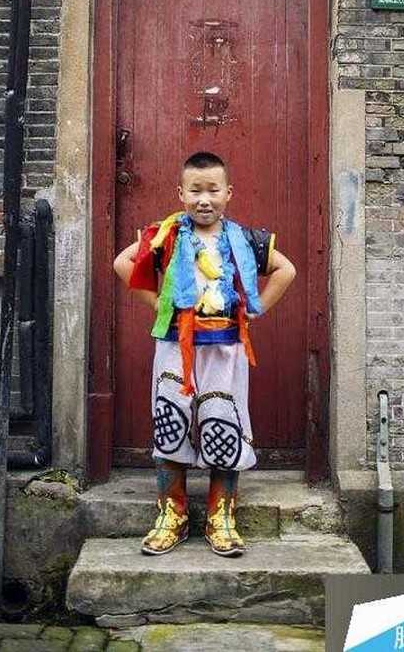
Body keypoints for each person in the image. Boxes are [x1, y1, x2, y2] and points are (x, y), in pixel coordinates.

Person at [113, 151, 296, 557]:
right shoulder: (165, 235)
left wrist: (255, 308)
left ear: (229, 193)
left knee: (222, 421)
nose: (204, 199)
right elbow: (122, 262)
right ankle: (172, 515)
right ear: (181, 193)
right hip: (174, 346)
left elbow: (286, 270)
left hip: (225, 347)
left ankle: (221, 516)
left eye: (213, 190)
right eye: (195, 190)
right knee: (170, 422)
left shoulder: (244, 239)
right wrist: (159, 303)